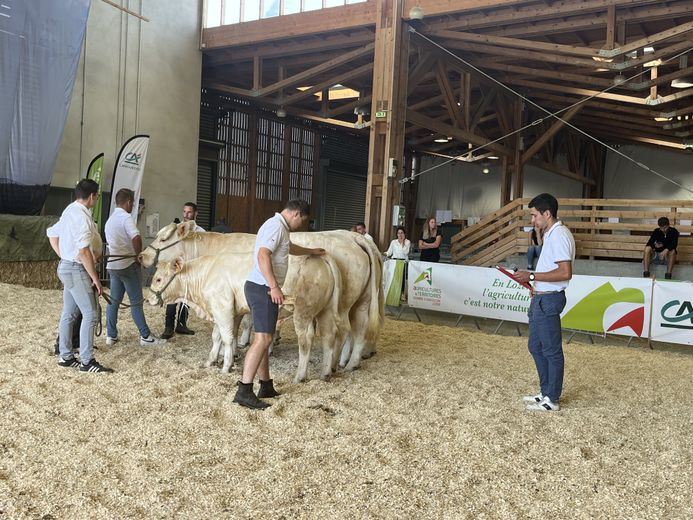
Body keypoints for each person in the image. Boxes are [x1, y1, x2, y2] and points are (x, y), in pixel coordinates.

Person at [233, 199, 325, 409]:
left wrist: (311, 251)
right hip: (262, 288)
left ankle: (265, 385)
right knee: (263, 339)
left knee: (264, 338)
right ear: (296, 214)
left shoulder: (280, 228)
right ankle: (244, 390)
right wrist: (274, 286)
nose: (301, 225)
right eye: (303, 220)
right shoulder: (276, 226)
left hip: (260, 287)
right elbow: (263, 255)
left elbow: (288, 247)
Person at [513, 193, 575, 412]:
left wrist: (531, 277)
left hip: (549, 300)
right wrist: (534, 285)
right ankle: (546, 392)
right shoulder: (551, 234)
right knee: (536, 346)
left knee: (550, 350)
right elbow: (552, 269)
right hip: (542, 297)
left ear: (546, 214)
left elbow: (565, 272)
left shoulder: (559, 235)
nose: (533, 220)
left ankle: (553, 398)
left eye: (534, 215)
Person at [46, 179, 113, 373]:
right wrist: (95, 279)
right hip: (76, 269)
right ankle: (87, 360)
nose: (97, 198)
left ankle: (66, 356)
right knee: (90, 314)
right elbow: (83, 252)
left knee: (70, 313)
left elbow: (52, 233)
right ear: (92, 196)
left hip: (67, 267)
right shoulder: (83, 218)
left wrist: (63, 255)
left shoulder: (69, 210)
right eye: (97, 195)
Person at [104, 188, 166, 347]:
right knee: (136, 302)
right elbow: (136, 237)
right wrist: (138, 255)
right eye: (133, 203)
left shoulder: (110, 220)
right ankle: (145, 336)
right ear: (129, 202)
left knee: (114, 301)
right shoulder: (126, 218)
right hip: (128, 265)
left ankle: (111, 335)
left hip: (113, 265)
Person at [162, 202, 205, 339]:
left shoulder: (201, 232)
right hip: (175, 269)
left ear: (195, 213)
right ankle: (168, 327)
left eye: (189, 212)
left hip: (191, 268)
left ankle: (181, 325)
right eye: (184, 212)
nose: (186, 215)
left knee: (186, 298)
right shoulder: (176, 230)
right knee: (172, 298)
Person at [385, 226, 411, 300]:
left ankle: (402, 294)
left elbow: (406, 252)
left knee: (402, 279)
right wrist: (384, 253)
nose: (400, 235)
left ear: (404, 234)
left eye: (402, 233)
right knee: (394, 278)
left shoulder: (407, 242)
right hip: (394, 261)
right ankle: (394, 293)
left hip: (403, 262)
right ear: (397, 234)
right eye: (398, 233)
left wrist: (402, 242)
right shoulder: (393, 242)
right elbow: (389, 252)